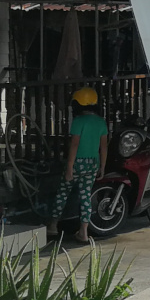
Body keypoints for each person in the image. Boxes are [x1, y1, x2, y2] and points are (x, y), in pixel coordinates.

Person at [48, 87, 109, 244]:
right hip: (92, 163)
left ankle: (53, 226)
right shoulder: (101, 122)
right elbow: (104, 147)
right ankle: (83, 231)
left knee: (63, 194)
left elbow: (74, 145)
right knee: (85, 197)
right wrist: (102, 166)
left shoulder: (78, 122)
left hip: (77, 163)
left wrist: (69, 167)